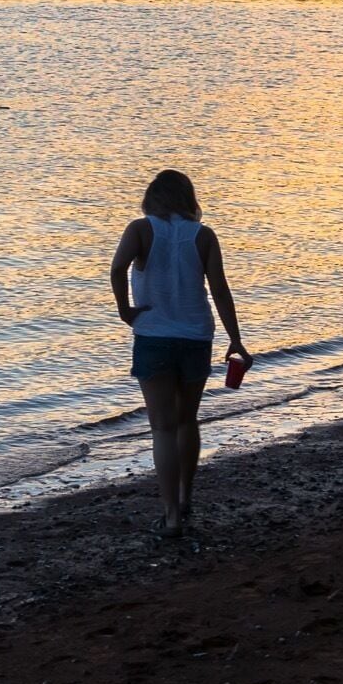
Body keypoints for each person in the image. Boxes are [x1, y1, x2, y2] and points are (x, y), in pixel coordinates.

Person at [109, 169, 250, 538]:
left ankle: (171, 516)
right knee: (187, 420)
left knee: (162, 428)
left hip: (154, 335)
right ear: (189, 199)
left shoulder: (140, 229)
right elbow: (220, 289)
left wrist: (125, 311)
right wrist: (236, 339)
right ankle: (186, 498)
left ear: (152, 197)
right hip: (195, 336)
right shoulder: (203, 235)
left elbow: (117, 269)